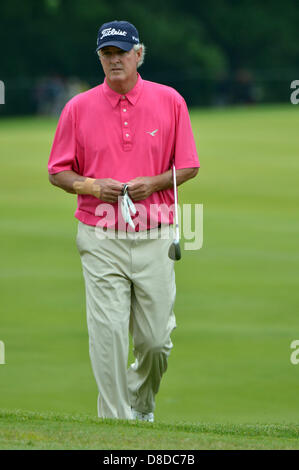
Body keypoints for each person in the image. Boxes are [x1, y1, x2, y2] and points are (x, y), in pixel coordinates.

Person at [48, 20, 200, 422]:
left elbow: (188, 166)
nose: (114, 60)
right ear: (100, 58)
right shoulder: (77, 108)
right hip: (99, 236)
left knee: (155, 342)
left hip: (155, 234)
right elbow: (57, 171)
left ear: (138, 54)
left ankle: (140, 404)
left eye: (121, 53)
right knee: (108, 336)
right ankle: (115, 424)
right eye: (106, 54)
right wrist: (93, 187)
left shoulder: (170, 101)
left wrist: (155, 183)